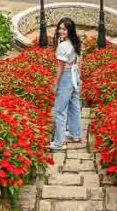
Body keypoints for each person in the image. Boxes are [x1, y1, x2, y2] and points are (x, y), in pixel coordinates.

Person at [49, 17, 82, 150]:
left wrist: (55, 83)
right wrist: (79, 78)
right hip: (75, 75)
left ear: (70, 30)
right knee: (74, 106)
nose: (61, 31)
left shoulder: (63, 46)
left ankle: (59, 142)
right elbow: (78, 62)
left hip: (67, 77)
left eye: (64, 29)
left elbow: (60, 67)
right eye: (60, 28)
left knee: (59, 110)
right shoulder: (75, 42)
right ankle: (75, 134)